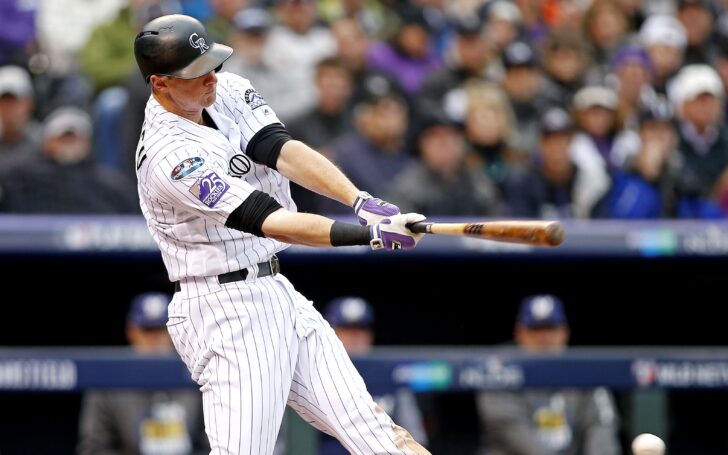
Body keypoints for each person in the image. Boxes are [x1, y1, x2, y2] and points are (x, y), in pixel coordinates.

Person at [132, 14, 429, 455]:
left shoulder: (227, 88)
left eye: (211, 64)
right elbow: (270, 218)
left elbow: (279, 149)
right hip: (224, 309)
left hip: (274, 287)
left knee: (376, 434)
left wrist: (359, 200)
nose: (211, 78)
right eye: (195, 74)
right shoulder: (170, 156)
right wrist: (367, 235)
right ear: (160, 84)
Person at [476, 294, 621, 455]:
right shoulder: (500, 371)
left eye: (551, 329)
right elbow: (512, 431)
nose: (544, 338)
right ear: (520, 334)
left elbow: (600, 424)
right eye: (535, 330)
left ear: (564, 333)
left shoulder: (584, 371)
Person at [77, 292, 209, 455]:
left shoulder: (198, 373)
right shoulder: (109, 378)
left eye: (161, 330)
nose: (155, 339)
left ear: (175, 332)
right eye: (148, 330)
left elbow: (211, 443)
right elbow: (94, 448)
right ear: (132, 332)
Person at [320, 296, 430, 454]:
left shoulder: (390, 373)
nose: (355, 337)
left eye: (361, 329)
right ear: (332, 332)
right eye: (348, 330)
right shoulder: (315, 374)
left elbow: (415, 437)